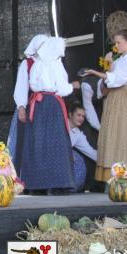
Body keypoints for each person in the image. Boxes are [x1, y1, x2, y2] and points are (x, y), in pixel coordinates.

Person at [20, 37, 79, 195]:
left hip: (38, 104)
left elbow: (33, 84)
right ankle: (58, 184)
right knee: (56, 143)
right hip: (53, 104)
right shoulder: (56, 64)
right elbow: (63, 89)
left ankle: (37, 185)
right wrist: (72, 86)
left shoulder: (37, 64)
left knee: (37, 143)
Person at [84, 29, 127, 183]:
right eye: (115, 43)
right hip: (114, 97)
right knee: (112, 133)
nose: (116, 46)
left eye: (119, 42)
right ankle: (111, 175)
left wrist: (96, 72)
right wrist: (108, 66)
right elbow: (109, 80)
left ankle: (125, 175)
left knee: (122, 133)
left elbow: (118, 79)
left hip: (124, 98)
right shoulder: (120, 60)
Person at [7, 34, 48, 174]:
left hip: (46, 108)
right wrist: (21, 107)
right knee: (27, 142)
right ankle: (23, 174)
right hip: (30, 107)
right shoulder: (27, 63)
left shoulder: (52, 63)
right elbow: (21, 86)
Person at [68, 103, 97, 193]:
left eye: (83, 116)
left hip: (64, 161)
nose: (81, 118)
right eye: (79, 115)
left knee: (78, 159)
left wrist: (108, 161)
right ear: (70, 114)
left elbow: (90, 152)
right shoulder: (60, 124)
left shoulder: (78, 134)